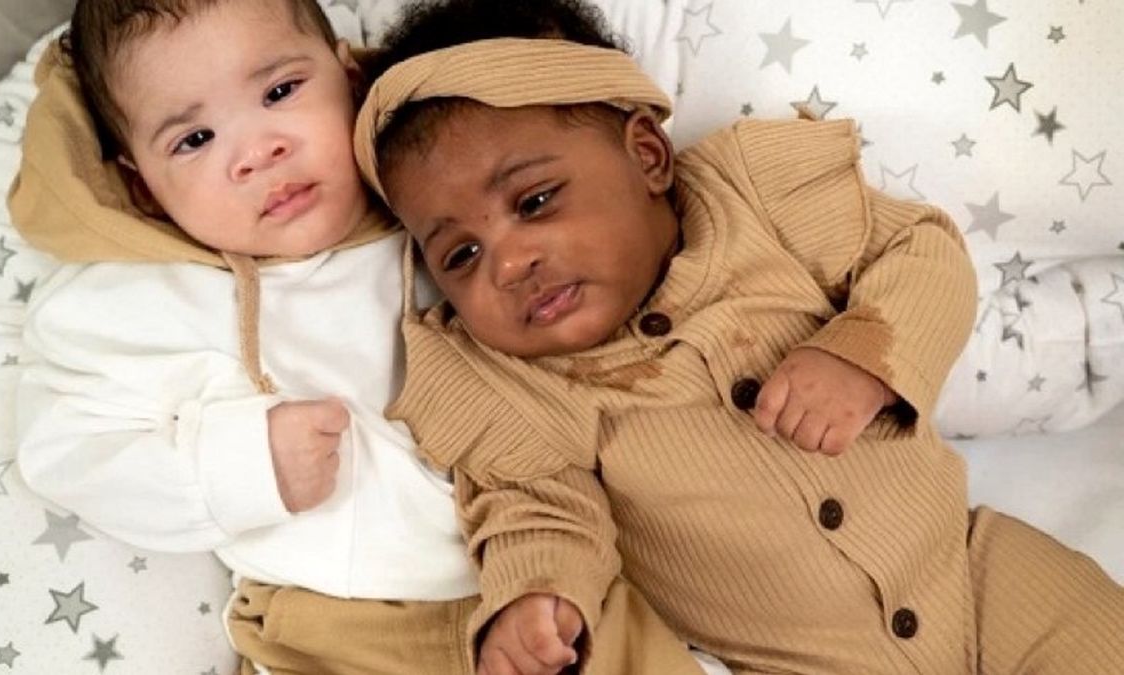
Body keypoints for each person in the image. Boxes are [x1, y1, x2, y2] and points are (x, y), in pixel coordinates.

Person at [353, 0, 1124, 673]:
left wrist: (863, 352)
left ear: (647, 156)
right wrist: (540, 598)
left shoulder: (753, 198)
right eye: (461, 254)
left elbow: (920, 251)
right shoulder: (514, 383)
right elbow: (538, 508)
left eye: (535, 201)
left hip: (972, 572)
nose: (509, 263)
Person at [9, 1, 713, 673]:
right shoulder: (138, 302)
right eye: (195, 140)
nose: (259, 151)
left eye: (280, 91)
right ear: (143, 186)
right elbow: (68, 449)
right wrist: (242, 467)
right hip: (337, 620)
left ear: (349, 81)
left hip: (555, 578)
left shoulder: (446, 202)